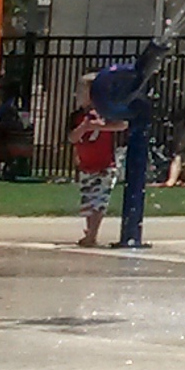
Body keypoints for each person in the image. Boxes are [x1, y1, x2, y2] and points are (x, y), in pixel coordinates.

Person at [68, 77, 123, 249]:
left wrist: (100, 127)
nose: (80, 95)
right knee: (88, 200)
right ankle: (90, 229)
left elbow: (122, 125)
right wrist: (84, 127)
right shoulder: (77, 116)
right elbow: (72, 138)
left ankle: (92, 234)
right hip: (87, 165)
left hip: (105, 165)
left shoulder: (107, 113)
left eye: (84, 92)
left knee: (99, 200)